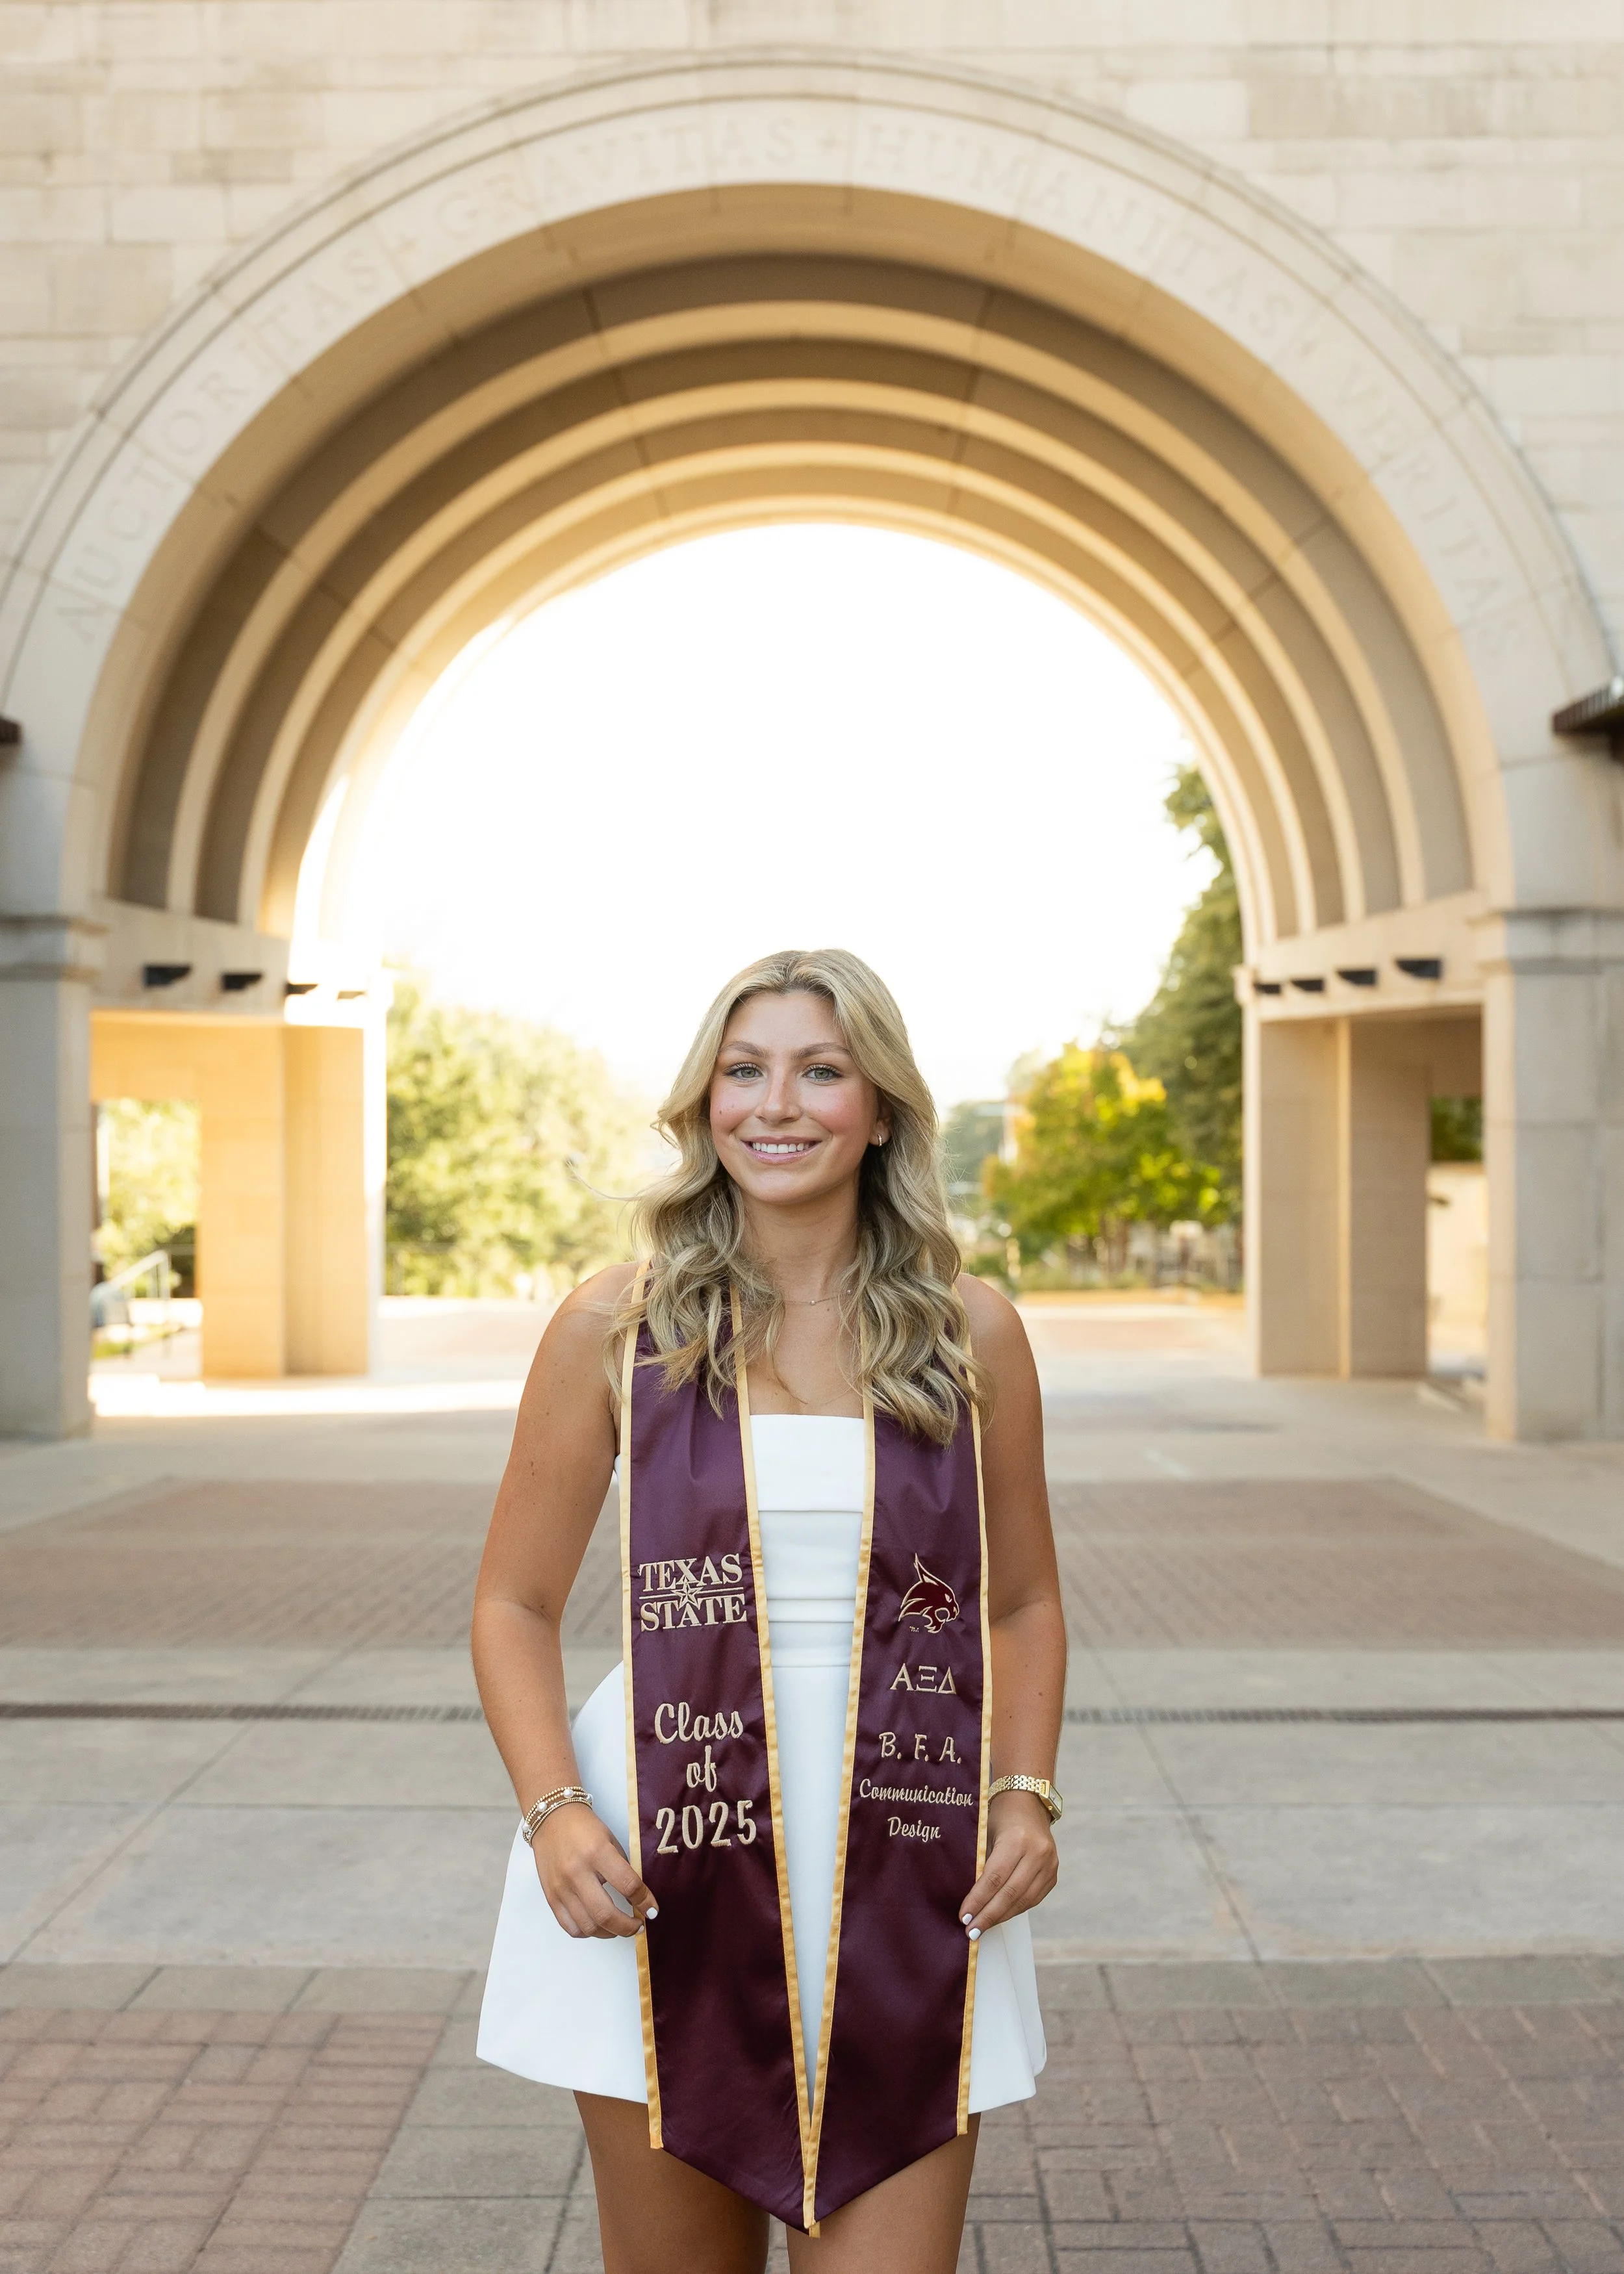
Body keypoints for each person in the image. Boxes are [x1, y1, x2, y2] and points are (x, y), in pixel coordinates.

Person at [472, 949, 1065, 2274]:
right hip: (665, 1856)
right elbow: (511, 1601)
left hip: (909, 1860)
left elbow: (1020, 1600)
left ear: (879, 1108)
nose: (774, 1103)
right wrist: (553, 1809)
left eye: (818, 1069)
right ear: (703, 1100)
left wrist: (1024, 1790)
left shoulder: (971, 1334)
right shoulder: (611, 1328)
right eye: (743, 1070)